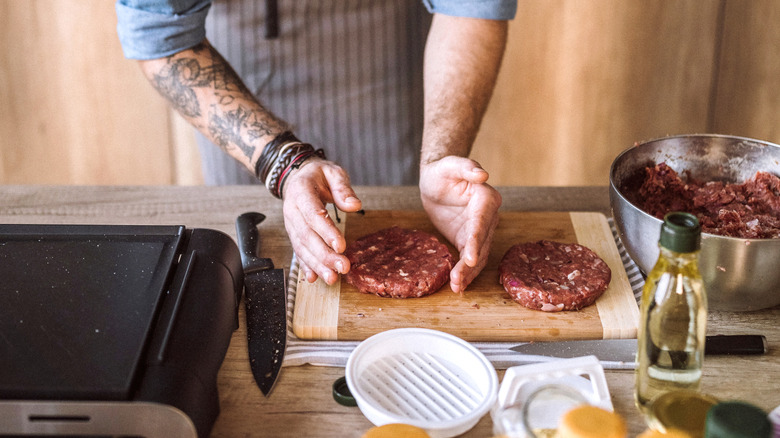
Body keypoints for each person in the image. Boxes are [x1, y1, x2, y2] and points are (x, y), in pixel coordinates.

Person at [115, 0, 516, 293]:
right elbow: (159, 32)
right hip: (239, 70)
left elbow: (471, 7)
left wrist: (441, 156)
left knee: (391, 206)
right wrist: (281, 163)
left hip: (384, 50)